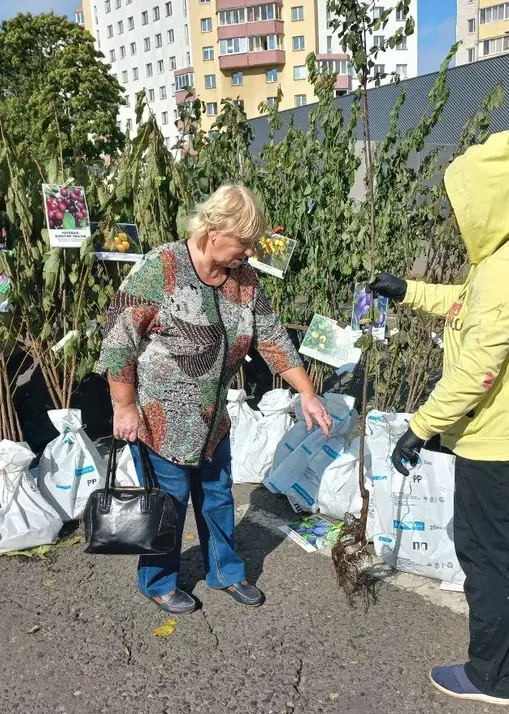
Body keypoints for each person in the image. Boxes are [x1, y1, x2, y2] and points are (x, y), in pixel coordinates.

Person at [370, 131, 509, 706]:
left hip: (502, 441)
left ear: (491, 199)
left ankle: (492, 675)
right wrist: (407, 290)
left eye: (466, 206)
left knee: (487, 553)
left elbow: (474, 374)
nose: (461, 220)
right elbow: (472, 301)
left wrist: (420, 426)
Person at [96, 184, 332, 615]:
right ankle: (159, 581)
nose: (249, 251)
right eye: (243, 241)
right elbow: (118, 341)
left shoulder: (243, 280)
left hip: (212, 420)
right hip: (160, 418)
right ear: (213, 229)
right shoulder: (161, 267)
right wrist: (123, 405)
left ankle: (226, 572)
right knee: (166, 505)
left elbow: (273, 337)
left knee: (218, 496)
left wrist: (308, 394)